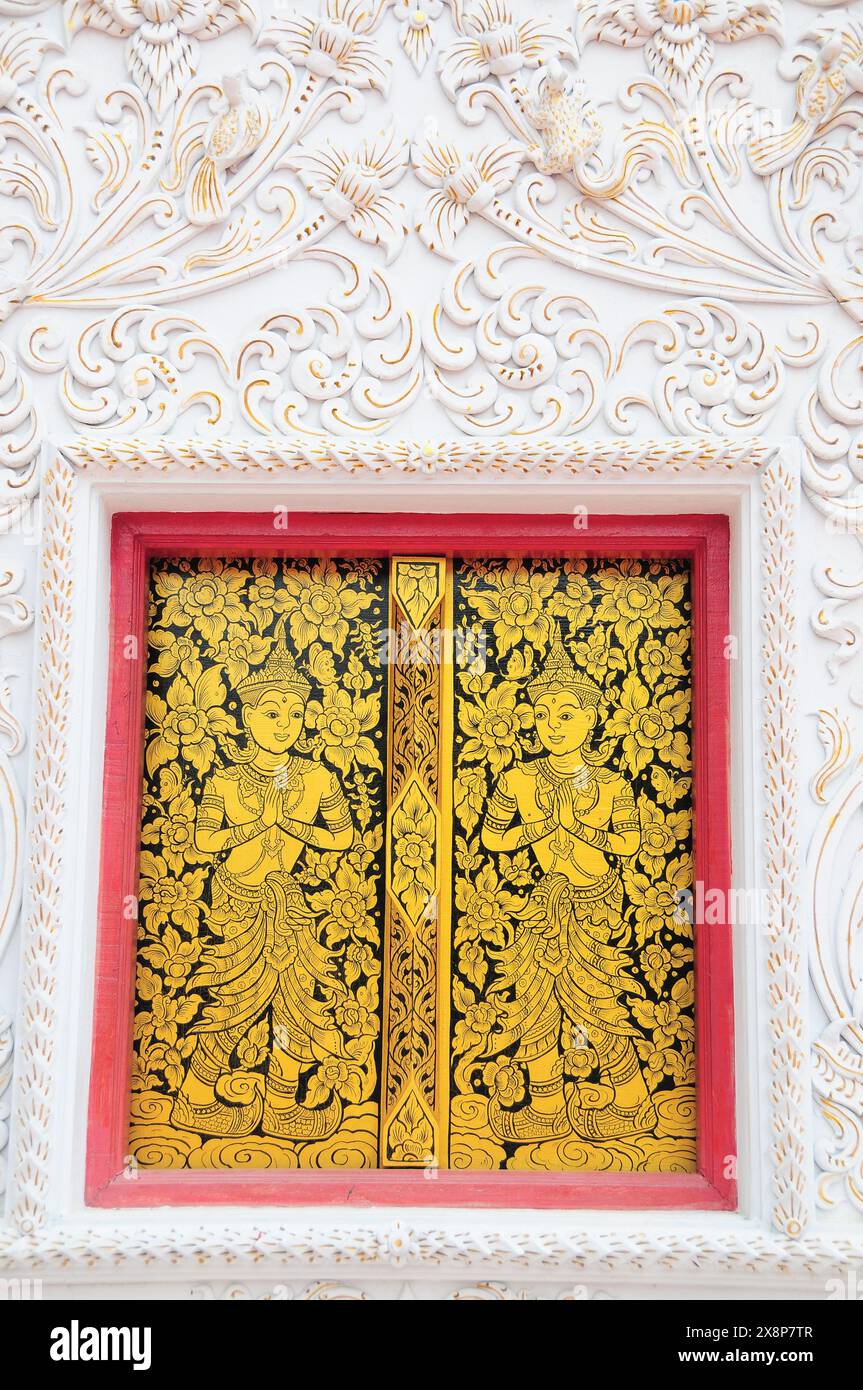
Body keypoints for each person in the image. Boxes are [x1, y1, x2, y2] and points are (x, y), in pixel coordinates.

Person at [170, 638, 354, 1141]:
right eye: (270, 712)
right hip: (240, 902)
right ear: (247, 718)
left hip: (289, 904)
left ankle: (281, 1101)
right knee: (235, 999)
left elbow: (344, 837)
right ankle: (196, 1096)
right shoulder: (227, 782)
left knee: (298, 1002)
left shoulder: (318, 778)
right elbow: (204, 841)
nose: (283, 724)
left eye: (294, 714)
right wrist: (256, 828)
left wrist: (296, 829)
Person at [479, 624, 657, 1143]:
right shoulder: (518, 779)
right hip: (540, 907)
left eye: (566, 714)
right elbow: (493, 839)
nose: (552, 726)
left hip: (592, 904)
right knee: (534, 1002)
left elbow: (626, 845)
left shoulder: (609, 783)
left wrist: (573, 826)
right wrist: (542, 826)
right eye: (542, 715)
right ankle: (547, 1105)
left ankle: (632, 1101)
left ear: (591, 718)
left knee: (594, 1002)